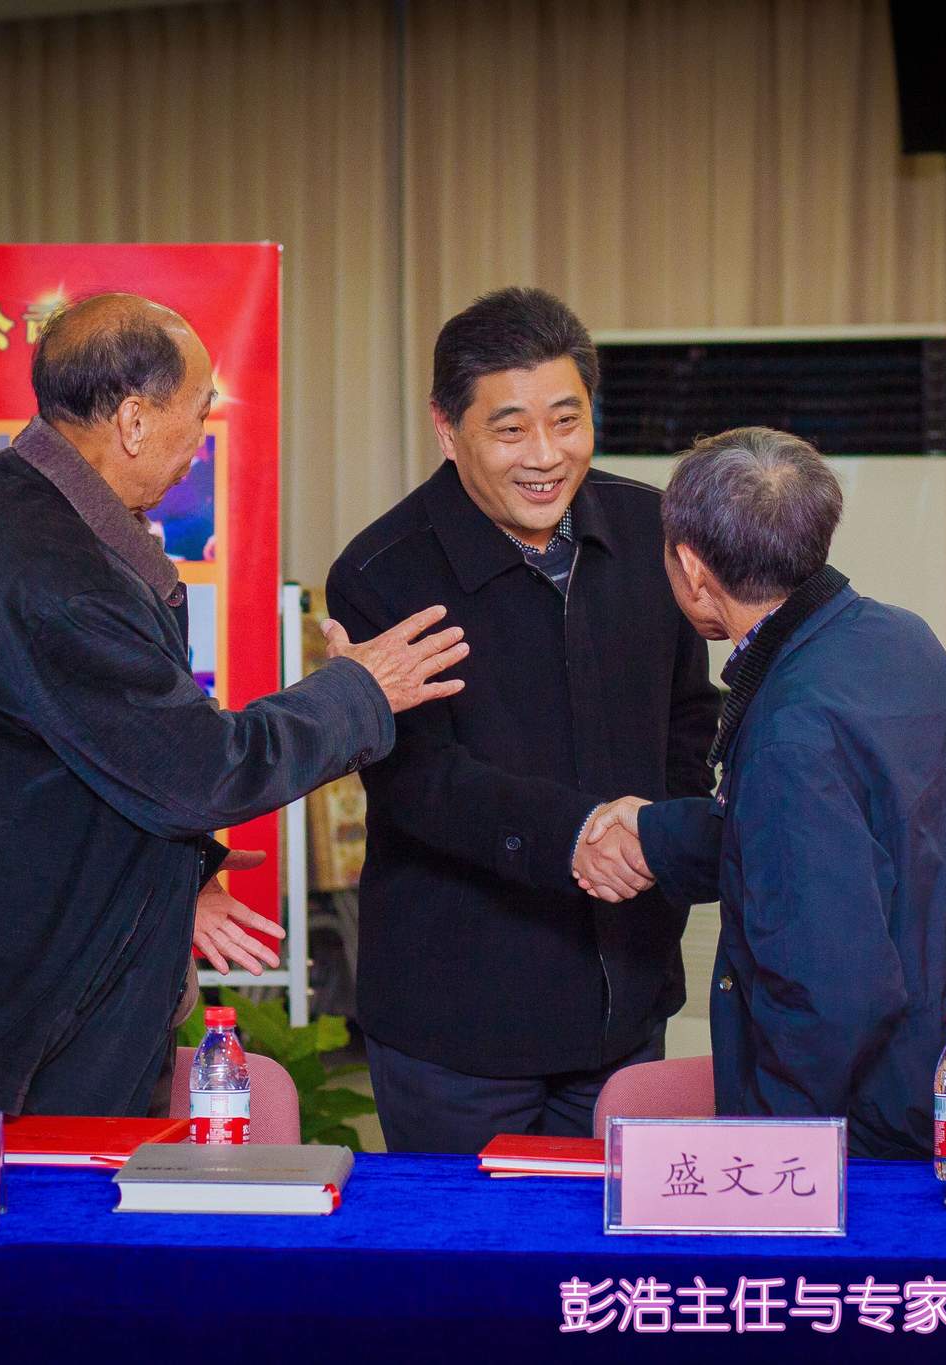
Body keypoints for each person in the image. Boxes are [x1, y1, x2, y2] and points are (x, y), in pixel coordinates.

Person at [0, 292, 468, 1116]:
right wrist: (361, 688)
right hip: (3, 1037)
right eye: (198, 411)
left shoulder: (31, 515)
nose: (201, 438)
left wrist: (180, 872)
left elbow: (74, 762)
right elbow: (200, 770)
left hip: (15, 1007)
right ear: (134, 421)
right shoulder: (51, 573)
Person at [589, 427, 946, 1158]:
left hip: (900, 1134)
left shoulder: (790, 728)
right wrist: (653, 831)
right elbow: (851, 834)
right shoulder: (895, 636)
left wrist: (766, 1165)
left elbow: (830, 998)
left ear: (692, 567)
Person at [325, 287, 719, 1154]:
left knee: (608, 1239)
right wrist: (575, 835)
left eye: (567, 421)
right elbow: (417, 778)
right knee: (470, 1242)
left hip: (624, 998)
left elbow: (690, 714)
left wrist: (658, 834)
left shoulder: (653, 528)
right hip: (456, 1027)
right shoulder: (381, 573)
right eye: (510, 429)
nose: (546, 455)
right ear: (447, 429)